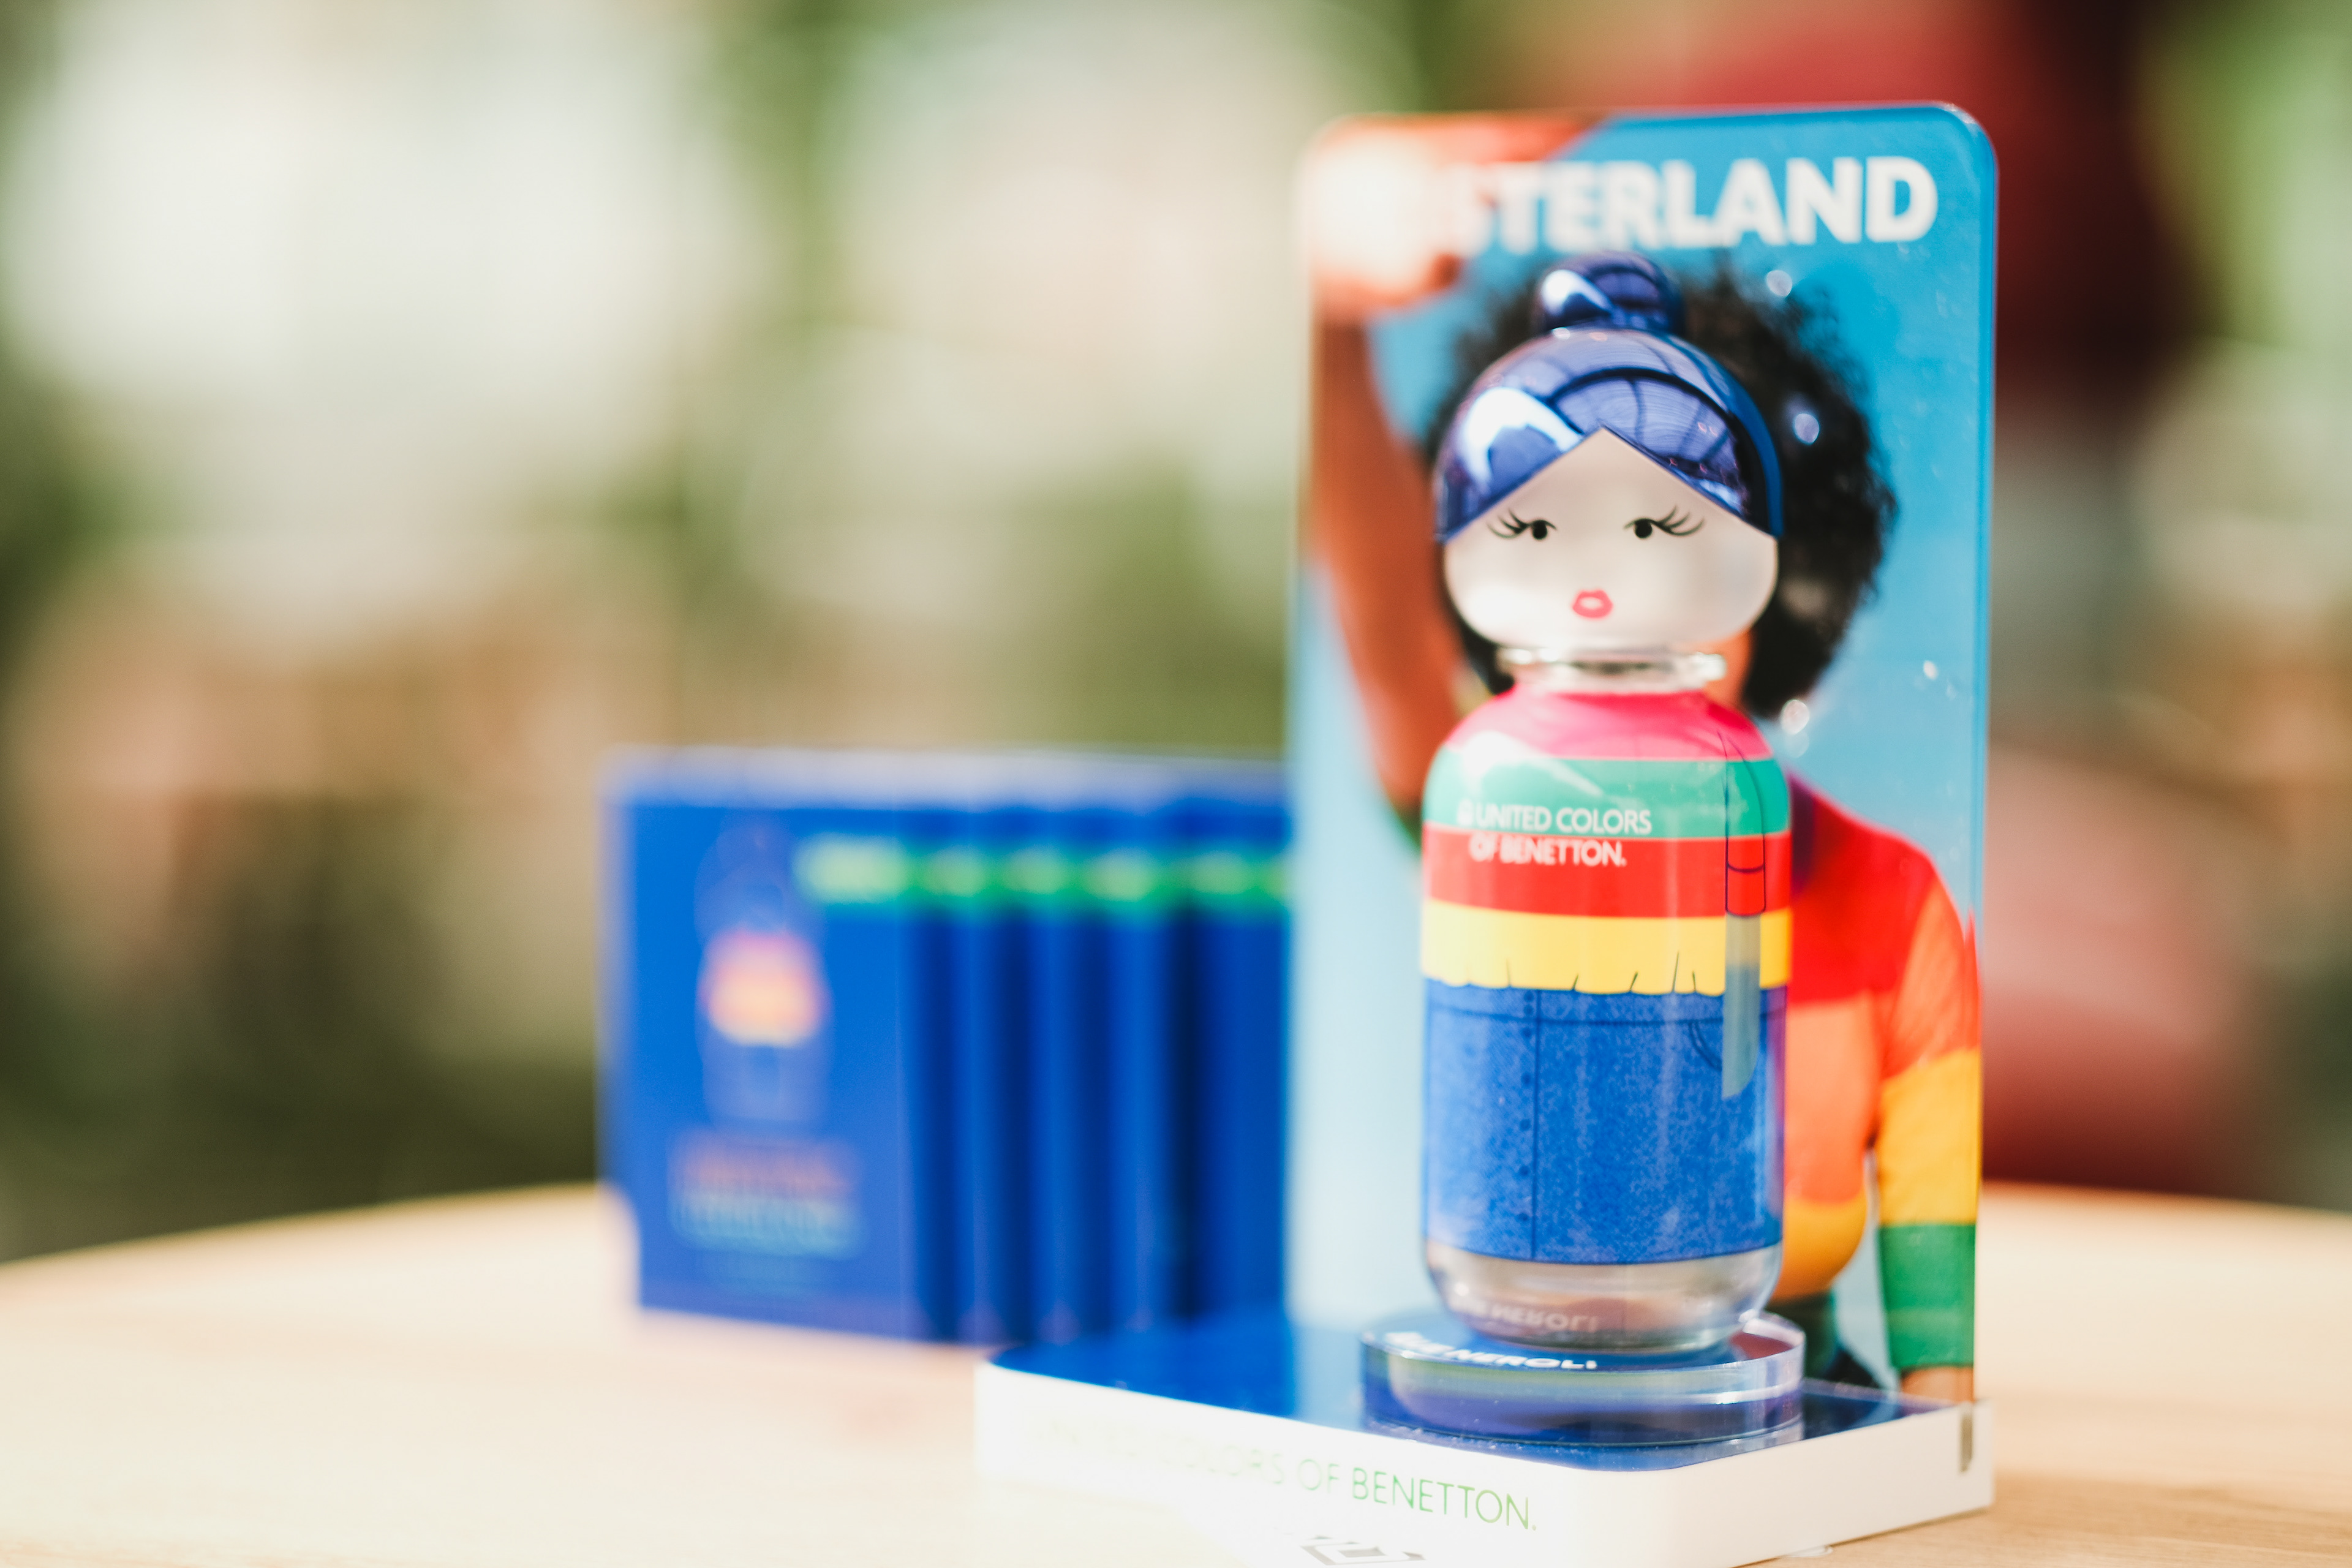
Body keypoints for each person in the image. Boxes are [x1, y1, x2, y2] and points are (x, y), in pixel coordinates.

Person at [1304, 122, 1978, 1398]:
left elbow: (1933, 1185)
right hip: (1510, 1334)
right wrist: (1331, 317)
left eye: (1664, 531)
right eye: (1546, 527)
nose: (1607, 592)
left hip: (1780, 1379)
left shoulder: (1885, 900)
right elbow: (1387, 629)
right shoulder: (1492, 784)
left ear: (1779, 581)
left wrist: (1942, 1400)